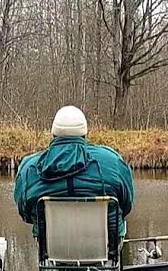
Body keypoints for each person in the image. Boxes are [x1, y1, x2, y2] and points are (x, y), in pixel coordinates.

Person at [13, 105, 135, 254]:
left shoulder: (29, 168)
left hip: (51, 250)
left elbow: (25, 213)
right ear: (84, 134)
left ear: (53, 134)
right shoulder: (112, 161)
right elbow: (127, 205)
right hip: (108, 248)